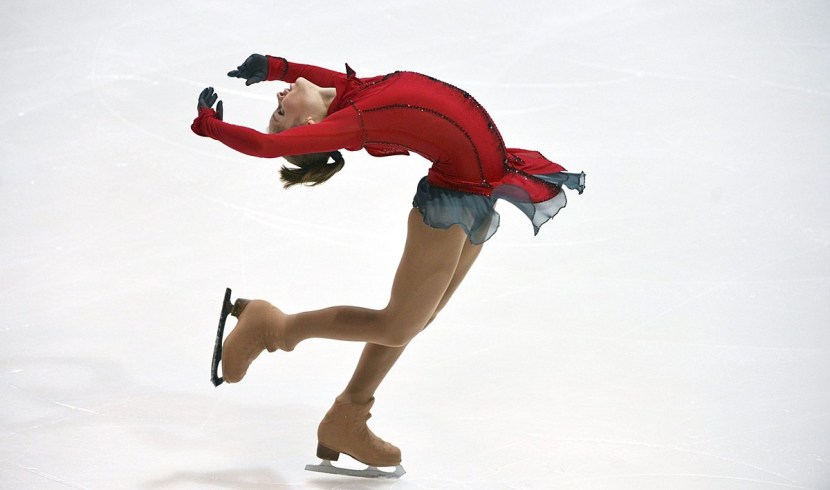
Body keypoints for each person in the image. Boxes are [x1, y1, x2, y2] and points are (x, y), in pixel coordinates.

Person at [191, 54, 585, 477]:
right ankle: (274, 327)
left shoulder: (347, 93)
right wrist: (209, 125)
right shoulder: (353, 119)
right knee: (397, 326)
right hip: (453, 198)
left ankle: (346, 419)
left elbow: (313, 79)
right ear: (309, 126)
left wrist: (274, 66)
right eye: (281, 111)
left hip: (483, 188)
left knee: (417, 319)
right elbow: (265, 146)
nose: (279, 98)